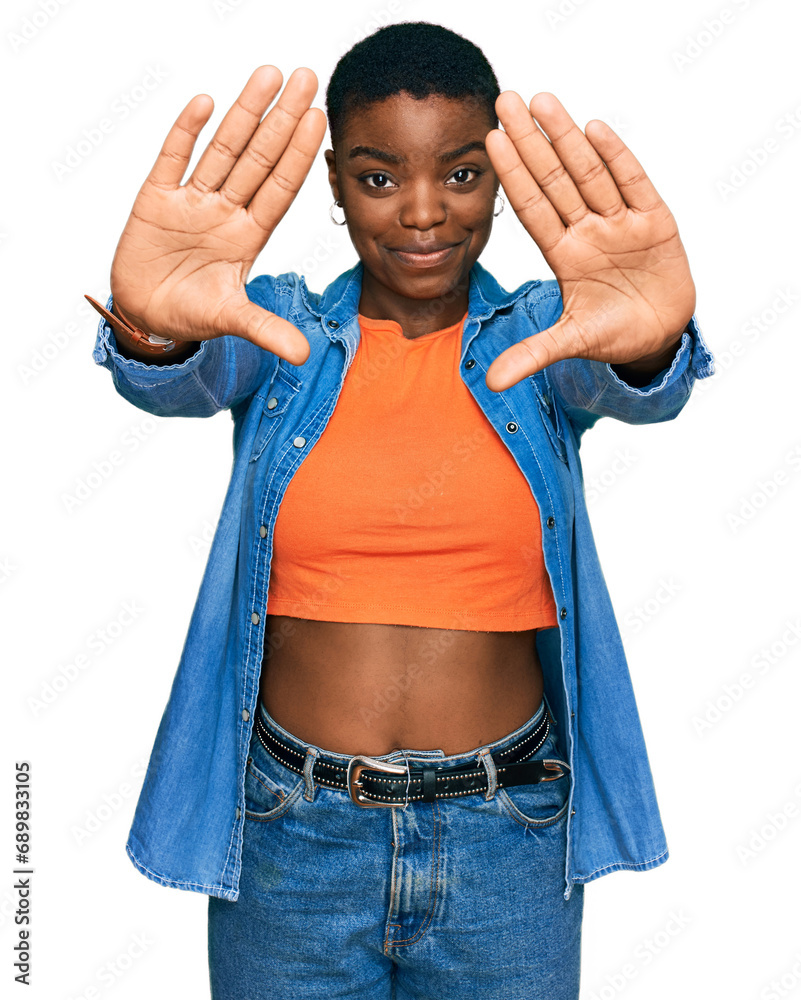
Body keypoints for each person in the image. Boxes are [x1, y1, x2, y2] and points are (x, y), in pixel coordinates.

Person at [88, 21, 714, 1000]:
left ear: (501, 178)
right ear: (336, 181)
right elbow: (181, 375)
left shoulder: (545, 334)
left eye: (461, 175)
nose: (423, 211)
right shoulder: (285, 328)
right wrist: (155, 328)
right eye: (381, 178)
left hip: (508, 836)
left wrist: (649, 344)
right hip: (290, 834)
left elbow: (636, 381)